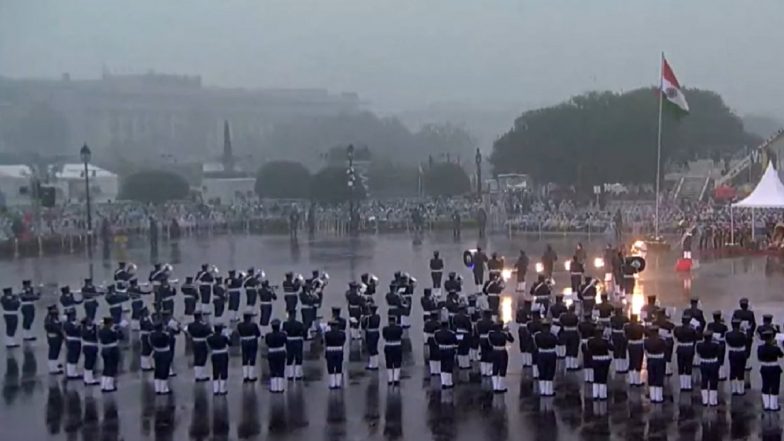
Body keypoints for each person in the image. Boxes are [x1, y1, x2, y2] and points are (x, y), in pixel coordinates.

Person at [758, 329, 783, 411]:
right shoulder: (775, 349)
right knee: (775, 386)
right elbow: (781, 355)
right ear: (772, 337)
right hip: (774, 368)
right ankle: (774, 405)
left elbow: (759, 358)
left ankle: (766, 405)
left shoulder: (760, 348)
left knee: (765, 385)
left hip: (764, 368)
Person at [587, 326, 613, 400]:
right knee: (603, 378)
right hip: (604, 360)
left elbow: (588, 349)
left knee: (596, 377)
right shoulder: (605, 341)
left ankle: (595, 394)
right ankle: (602, 395)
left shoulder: (591, 341)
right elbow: (612, 348)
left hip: (595, 359)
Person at [696, 330, 720, 406]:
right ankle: (713, 401)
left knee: (704, 380)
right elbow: (719, 353)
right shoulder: (716, 345)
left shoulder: (699, 345)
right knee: (713, 381)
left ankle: (705, 400)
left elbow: (698, 353)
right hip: (713, 363)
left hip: (703, 363)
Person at [674, 312, 697, 391]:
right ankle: (687, 385)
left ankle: (682, 384)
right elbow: (695, 337)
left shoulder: (677, 329)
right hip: (689, 349)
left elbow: (676, 336)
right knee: (688, 366)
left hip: (680, 348)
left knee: (681, 366)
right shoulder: (692, 329)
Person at [489, 321, 514, 393]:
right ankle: (501, 387)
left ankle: (495, 386)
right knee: (502, 368)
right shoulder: (504, 334)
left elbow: (489, 342)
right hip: (502, 352)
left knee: (495, 368)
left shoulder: (491, 334)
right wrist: (508, 332)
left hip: (494, 351)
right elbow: (512, 340)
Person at [534, 319, 558, 396]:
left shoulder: (537, 335)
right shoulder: (553, 335)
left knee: (542, 372)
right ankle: (549, 391)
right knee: (550, 372)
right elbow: (558, 342)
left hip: (541, 354)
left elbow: (536, 345)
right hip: (551, 354)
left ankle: (543, 390)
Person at [726, 318, 749, 395]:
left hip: (732, 352)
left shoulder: (728, 334)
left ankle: (733, 389)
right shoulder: (743, 335)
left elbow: (728, 342)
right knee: (740, 371)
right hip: (741, 353)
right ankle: (741, 390)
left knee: (733, 370)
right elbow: (746, 342)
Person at [98, 317, 122, 392]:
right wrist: (118, 330)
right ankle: (109, 386)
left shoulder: (101, 331)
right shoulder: (111, 331)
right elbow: (120, 336)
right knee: (112, 368)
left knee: (106, 368)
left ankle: (103, 385)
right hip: (112, 350)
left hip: (104, 350)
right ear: (109, 323)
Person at [644, 325, 667, 403]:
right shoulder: (662, 340)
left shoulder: (646, 341)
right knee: (659, 377)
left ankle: (652, 396)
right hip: (660, 360)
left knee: (651, 377)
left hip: (650, 360)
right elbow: (666, 347)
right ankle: (659, 397)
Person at [731, 297, 756, 368]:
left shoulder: (736, 312)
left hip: (739, 331)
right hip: (748, 333)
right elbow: (753, 324)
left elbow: (733, 322)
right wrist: (751, 332)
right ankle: (746, 363)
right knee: (748, 347)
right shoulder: (750, 313)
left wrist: (735, 330)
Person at [186, 311, 211, 382]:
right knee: (202, 358)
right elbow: (209, 332)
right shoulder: (204, 325)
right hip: (202, 342)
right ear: (200, 317)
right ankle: (200, 375)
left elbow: (188, 333)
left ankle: (197, 375)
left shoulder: (190, 325)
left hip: (194, 342)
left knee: (196, 358)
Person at [207, 324, 231, 395]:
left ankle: (215, 389)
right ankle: (222, 389)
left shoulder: (210, 338)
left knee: (215, 371)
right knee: (223, 371)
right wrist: (228, 337)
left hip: (214, 354)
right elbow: (230, 343)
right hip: (223, 354)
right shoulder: (224, 337)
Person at [150, 321, 173, 395]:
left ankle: (157, 389)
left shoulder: (151, 335)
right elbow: (170, 340)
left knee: (158, 371)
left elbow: (150, 343)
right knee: (164, 370)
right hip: (165, 353)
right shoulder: (165, 334)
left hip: (157, 353)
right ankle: (164, 389)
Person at [265, 319, 287, 393]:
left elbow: (267, 343)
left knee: (273, 370)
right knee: (281, 369)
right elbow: (285, 341)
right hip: (281, 352)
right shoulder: (283, 334)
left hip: (271, 353)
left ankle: (274, 388)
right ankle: (280, 387)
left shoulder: (268, 335)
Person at [434, 319, 457, 389]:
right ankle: (449, 382)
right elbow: (455, 342)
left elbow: (436, 342)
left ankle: (443, 382)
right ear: (447, 325)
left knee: (443, 366)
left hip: (441, 350)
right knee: (449, 366)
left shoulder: (437, 333)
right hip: (449, 350)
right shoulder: (451, 333)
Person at [324, 319, 347, 389]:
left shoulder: (327, 334)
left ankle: (332, 384)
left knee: (330, 367)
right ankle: (338, 383)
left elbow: (325, 342)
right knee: (338, 366)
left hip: (330, 351)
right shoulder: (342, 334)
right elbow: (343, 341)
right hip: (339, 350)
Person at [283, 311, 306, 380]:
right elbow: (304, 331)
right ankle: (298, 374)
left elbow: (284, 332)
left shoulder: (285, 324)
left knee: (289, 358)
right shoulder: (299, 324)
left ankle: (290, 375)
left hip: (289, 341)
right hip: (298, 341)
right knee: (298, 358)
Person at [707, 311, 728, 381]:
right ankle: (721, 375)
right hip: (721, 343)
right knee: (721, 359)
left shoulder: (710, 325)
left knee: (714, 358)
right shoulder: (724, 326)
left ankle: (713, 373)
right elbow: (725, 333)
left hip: (712, 342)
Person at [383, 315, 404, 386]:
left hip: (388, 346)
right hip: (397, 346)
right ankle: (396, 379)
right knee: (397, 362)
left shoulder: (385, 329)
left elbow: (384, 336)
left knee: (389, 363)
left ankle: (390, 379)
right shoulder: (399, 328)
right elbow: (401, 334)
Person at [625, 313, 645, 386]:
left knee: (631, 361)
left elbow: (625, 335)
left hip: (630, 344)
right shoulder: (641, 327)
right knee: (638, 362)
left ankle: (631, 381)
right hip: (639, 344)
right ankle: (637, 381)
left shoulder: (626, 326)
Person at [63, 309, 82, 379]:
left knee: (75, 356)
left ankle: (72, 372)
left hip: (75, 341)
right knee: (72, 357)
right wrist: (78, 326)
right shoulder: (68, 324)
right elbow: (75, 330)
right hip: (73, 341)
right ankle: (71, 373)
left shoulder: (71, 322)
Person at [80, 316, 100, 386]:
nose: (91, 321)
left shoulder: (93, 327)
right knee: (89, 363)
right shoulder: (84, 330)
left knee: (91, 363)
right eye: (89, 321)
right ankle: (88, 379)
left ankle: (88, 378)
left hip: (92, 347)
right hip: (89, 347)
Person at [560, 305, 580, 370]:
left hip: (565, 333)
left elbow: (561, 323)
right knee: (574, 349)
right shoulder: (575, 316)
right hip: (573, 332)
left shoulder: (563, 316)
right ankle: (573, 365)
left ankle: (568, 365)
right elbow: (578, 323)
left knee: (567, 349)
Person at [45, 305, 64, 374]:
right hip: (54, 337)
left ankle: (54, 365)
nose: (57, 310)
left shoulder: (53, 317)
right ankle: (52, 368)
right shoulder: (50, 318)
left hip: (56, 337)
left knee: (56, 351)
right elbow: (54, 327)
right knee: (53, 352)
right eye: (55, 309)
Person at [610, 307, 629, 373]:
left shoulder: (612, 318)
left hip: (615, 335)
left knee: (616, 350)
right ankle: (623, 367)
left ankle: (617, 368)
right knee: (623, 351)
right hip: (623, 335)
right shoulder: (625, 318)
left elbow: (611, 327)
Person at [578, 313, 596, 383]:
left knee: (585, 359)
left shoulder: (581, 325)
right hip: (591, 342)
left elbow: (579, 331)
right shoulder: (593, 325)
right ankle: (591, 377)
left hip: (583, 341)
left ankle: (586, 377)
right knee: (591, 359)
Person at [362, 304, 381, 370]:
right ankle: (375, 364)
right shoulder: (378, 317)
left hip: (370, 333)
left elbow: (364, 326)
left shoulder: (368, 318)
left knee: (371, 349)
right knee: (374, 348)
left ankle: (373, 365)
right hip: (376, 333)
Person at [476, 310, 494, 377]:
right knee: (489, 355)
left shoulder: (479, 322)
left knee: (483, 354)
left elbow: (477, 331)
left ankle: (483, 371)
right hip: (488, 339)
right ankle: (488, 371)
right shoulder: (491, 322)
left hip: (481, 338)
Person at [424, 311, 441, 376]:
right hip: (436, 339)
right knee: (438, 355)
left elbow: (425, 332)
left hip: (429, 339)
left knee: (432, 355)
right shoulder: (438, 324)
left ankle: (433, 370)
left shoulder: (427, 324)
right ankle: (438, 370)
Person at [139, 307, 154, 371]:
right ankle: (144, 366)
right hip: (145, 335)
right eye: (146, 311)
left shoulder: (147, 318)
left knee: (148, 351)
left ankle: (148, 365)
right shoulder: (143, 319)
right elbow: (149, 327)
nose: (148, 311)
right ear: (144, 313)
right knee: (145, 351)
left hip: (147, 335)